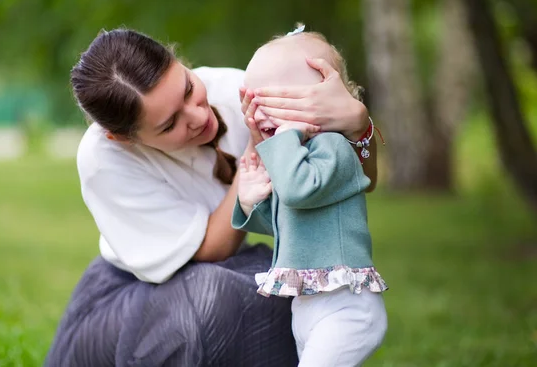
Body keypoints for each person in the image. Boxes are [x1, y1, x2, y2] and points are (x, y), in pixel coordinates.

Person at [45, 27, 378, 366]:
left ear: (178, 59)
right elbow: (209, 250)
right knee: (213, 296)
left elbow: (352, 181)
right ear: (122, 138)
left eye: (189, 89)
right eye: (169, 123)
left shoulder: (244, 89)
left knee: (292, 285)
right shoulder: (101, 159)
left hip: (228, 274)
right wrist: (257, 149)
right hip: (136, 299)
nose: (199, 116)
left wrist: (357, 124)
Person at [232, 26, 388, 367]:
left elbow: (298, 191)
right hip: (308, 307)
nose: (257, 115)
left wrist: (281, 142)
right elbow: (282, 224)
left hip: (347, 308)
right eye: (253, 102)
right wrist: (250, 202)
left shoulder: (335, 148)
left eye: (273, 101)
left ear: (319, 103)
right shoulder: (293, 158)